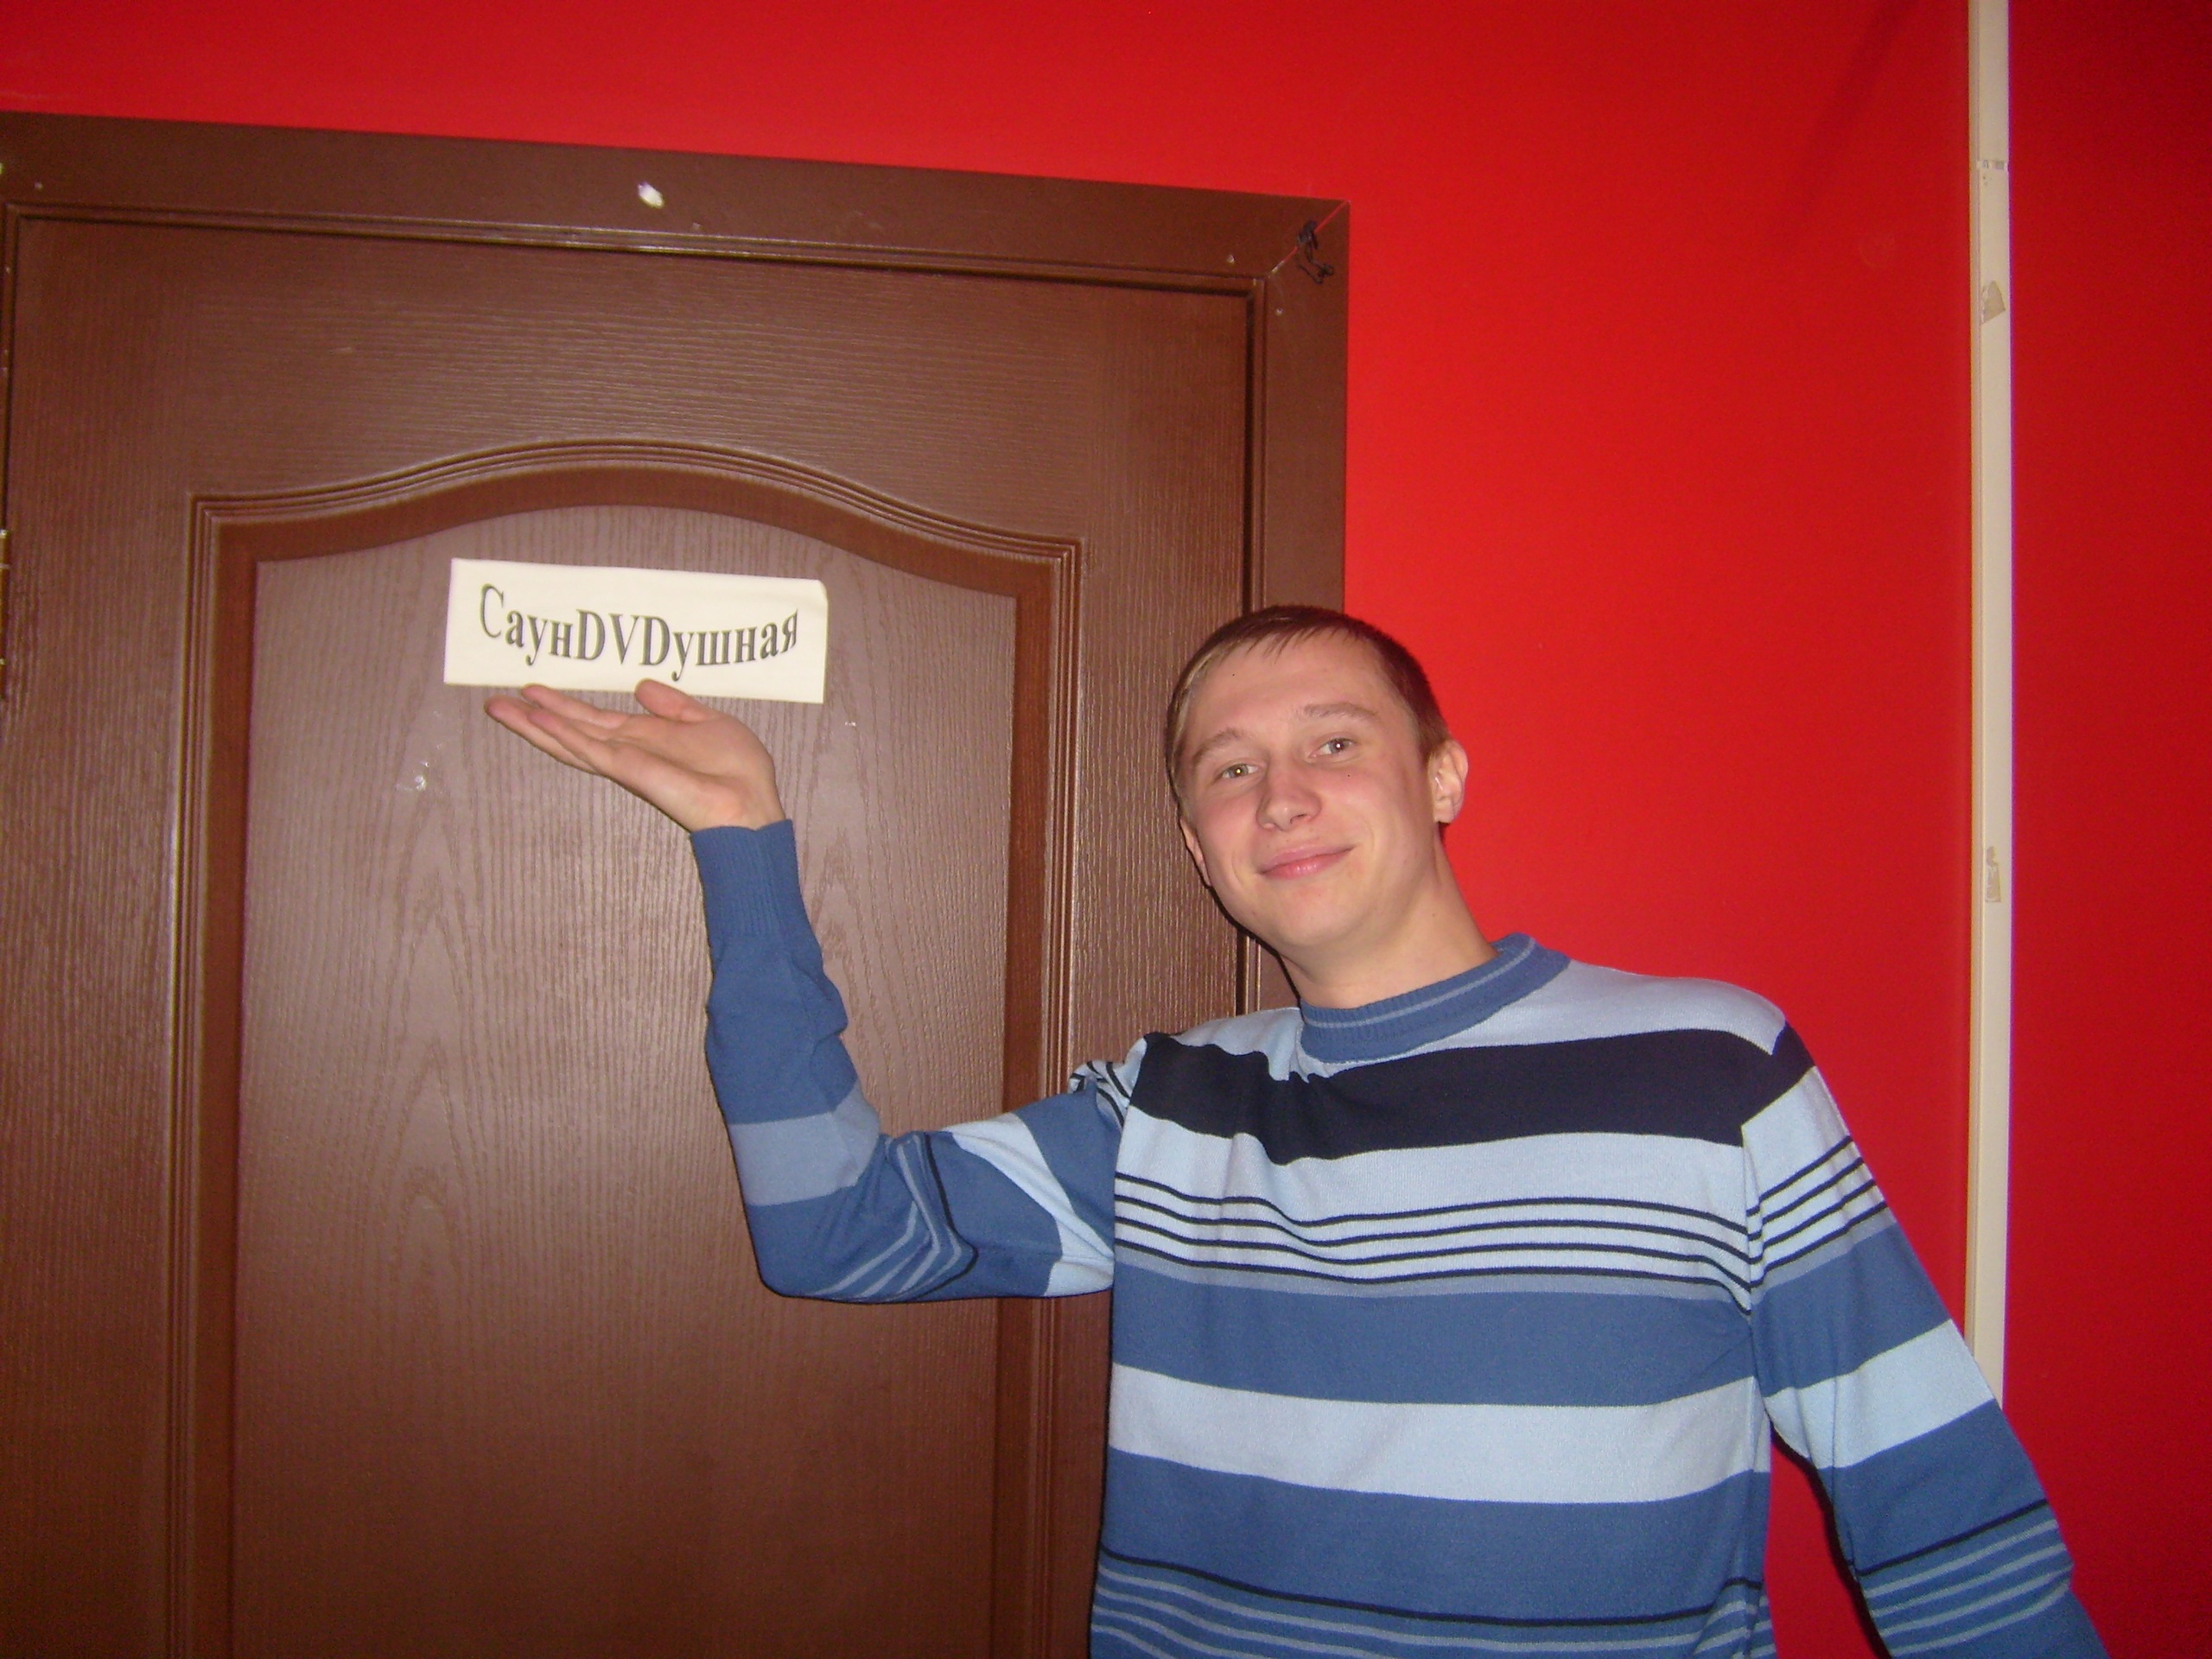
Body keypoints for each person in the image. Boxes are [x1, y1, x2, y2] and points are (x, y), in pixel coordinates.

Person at [487, 606, 2104, 1659]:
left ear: (1443, 777)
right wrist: (741, 839)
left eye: (1337, 742)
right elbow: (832, 1231)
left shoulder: (1708, 1066)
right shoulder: (1174, 1104)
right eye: (1232, 769)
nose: (1283, 797)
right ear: (1201, 852)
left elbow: (1935, 1495)